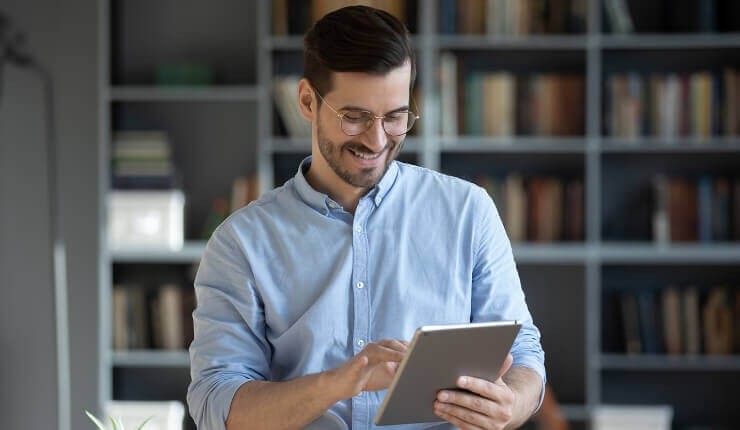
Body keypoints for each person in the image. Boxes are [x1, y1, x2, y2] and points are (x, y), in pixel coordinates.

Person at [187, 5, 545, 430]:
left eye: (394, 117)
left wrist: (512, 402)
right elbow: (216, 403)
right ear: (307, 101)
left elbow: (523, 353)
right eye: (354, 117)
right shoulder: (242, 242)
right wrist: (338, 383)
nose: (376, 140)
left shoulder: (469, 212)